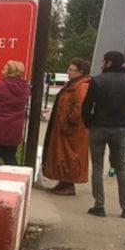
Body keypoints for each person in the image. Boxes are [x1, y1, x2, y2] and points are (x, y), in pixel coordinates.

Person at [81, 50, 125, 219]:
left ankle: (99, 206)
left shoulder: (97, 80)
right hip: (120, 128)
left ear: (108, 63)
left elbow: (86, 107)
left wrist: (89, 123)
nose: (101, 64)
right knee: (121, 167)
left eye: (103, 61)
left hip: (99, 127)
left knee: (98, 166)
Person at [41, 58, 92, 196]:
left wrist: (69, 122)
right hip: (64, 127)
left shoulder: (81, 86)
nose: (68, 72)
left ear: (80, 72)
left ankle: (68, 184)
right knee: (61, 155)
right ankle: (63, 182)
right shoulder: (73, 85)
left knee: (69, 156)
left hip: (71, 129)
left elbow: (79, 107)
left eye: (71, 70)